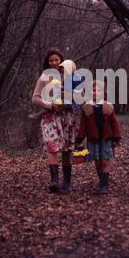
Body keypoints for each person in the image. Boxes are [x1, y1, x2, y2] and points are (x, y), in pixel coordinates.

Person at [31, 47, 77, 194]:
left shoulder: (70, 77)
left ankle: (67, 184)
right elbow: (35, 98)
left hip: (66, 117)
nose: (54, 62)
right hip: (49, 117)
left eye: (56, 59)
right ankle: (54, 182)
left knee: (66, 150)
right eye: (51, 60)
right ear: (48, 62)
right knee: (52, 148)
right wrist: (49, 104)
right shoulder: (44, 78)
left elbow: (80, 96)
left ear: (61, 61)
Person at [75, 80, 121, 194]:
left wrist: (116, 137)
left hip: (106, 138)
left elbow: (114, 123)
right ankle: (102, 180)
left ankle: (104, 185)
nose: (96, 92)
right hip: (93, 138)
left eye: (98, 90)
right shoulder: (86, 108)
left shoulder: (108, 107)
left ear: (104, 92)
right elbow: (83, 125)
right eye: (93, 90)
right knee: (97, 161)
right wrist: (80, 138)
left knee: (105, 161)